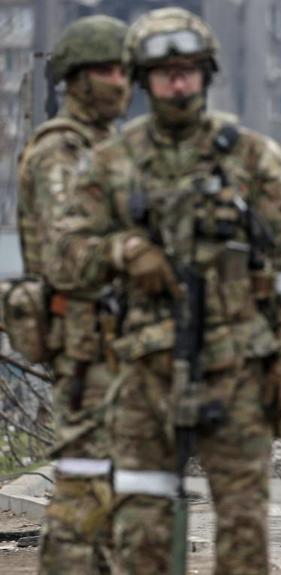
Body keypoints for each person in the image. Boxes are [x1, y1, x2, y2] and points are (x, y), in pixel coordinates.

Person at [55, 8, 281, 574]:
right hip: (145, 374)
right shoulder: (112, 162)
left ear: (206, 74)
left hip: (238, 368)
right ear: (143, 79)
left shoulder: (252, 157)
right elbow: (65, 253)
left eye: (189, 70)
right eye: (165, 71)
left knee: (244, 531)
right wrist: (124, 251)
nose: (179, 82)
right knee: (142, 532)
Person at [15, 15, 130, 574]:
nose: (120, 82)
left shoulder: (110, 149)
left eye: (123, 70)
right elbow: (67, 255)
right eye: (106, 70)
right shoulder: (62, 151)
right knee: (84, 487)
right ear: (77, 80)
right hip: (86, 343)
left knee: (115, 492)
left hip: (121, 345)